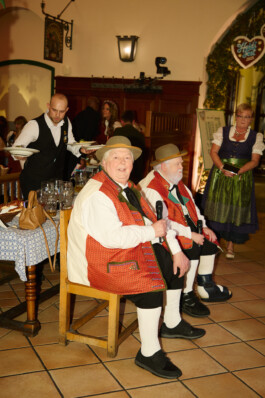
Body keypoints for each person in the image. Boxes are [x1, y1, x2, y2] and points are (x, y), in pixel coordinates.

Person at [67, 136, 205, 379]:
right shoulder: (98, 194)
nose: (123, 163)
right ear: (104, 163)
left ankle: (171, 323)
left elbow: (155, 221)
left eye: (127, 158)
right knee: (150, 280)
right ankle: (149, 352)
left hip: (119, 251)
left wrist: (175, 251)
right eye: (116, 157)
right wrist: (153, 233)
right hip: (97, 262)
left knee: (168, 260)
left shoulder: (128, 188)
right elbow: (112, 238)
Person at [139, 144, 232, 316]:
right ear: (164, 166)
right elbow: (162, 224)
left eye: (181, 163)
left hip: (182, 227)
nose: (182, 167)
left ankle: (204, 285)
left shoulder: (175, 181)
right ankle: (186, 294)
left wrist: (203, 226)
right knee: (193, 245)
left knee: (210, 242)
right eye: (178, 164)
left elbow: (193, 208)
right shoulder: (151, 189)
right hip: (163, 236)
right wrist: (191, 234)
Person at [202, 103, 265, 259]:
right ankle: (214, 242)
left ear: (251, 119)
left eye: (247, 117)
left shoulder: (256, 136)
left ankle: (231, 245)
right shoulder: (222, 132)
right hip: (220, 174)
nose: (243, 120)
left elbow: (255, 160)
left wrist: (238, 171)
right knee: (216, 208)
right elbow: (214, 152)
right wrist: (223, 167)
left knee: (235, 209)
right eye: (240, 116)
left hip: (241, 177)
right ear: (236, 116)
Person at [13, 93, 90, 199]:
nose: (57, 115)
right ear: (48, 106)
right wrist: (19, 155)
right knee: (35, 214)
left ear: (67, 110)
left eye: (62, 111)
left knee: (54, 213)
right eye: (54, 110)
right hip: (34, 182)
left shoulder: (66, 122)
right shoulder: (34, 125)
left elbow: (70, 143)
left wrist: (81, 149)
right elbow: (16, 147)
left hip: (56, 181)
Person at [65, 97, 101, 179]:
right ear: (94, 104)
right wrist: (83, 157)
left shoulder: (80, 114)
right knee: (79, 177)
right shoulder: (94, 116)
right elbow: (89, 136)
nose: (98, 107)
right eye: (98, 104)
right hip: (81, 151)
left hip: (73, 151)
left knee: (72, 176)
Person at [113, 110, 146, 183]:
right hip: (137, 174)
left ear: (121, 121)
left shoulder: (117, 132)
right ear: (133, 122)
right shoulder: (140, 135)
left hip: (121, 171)